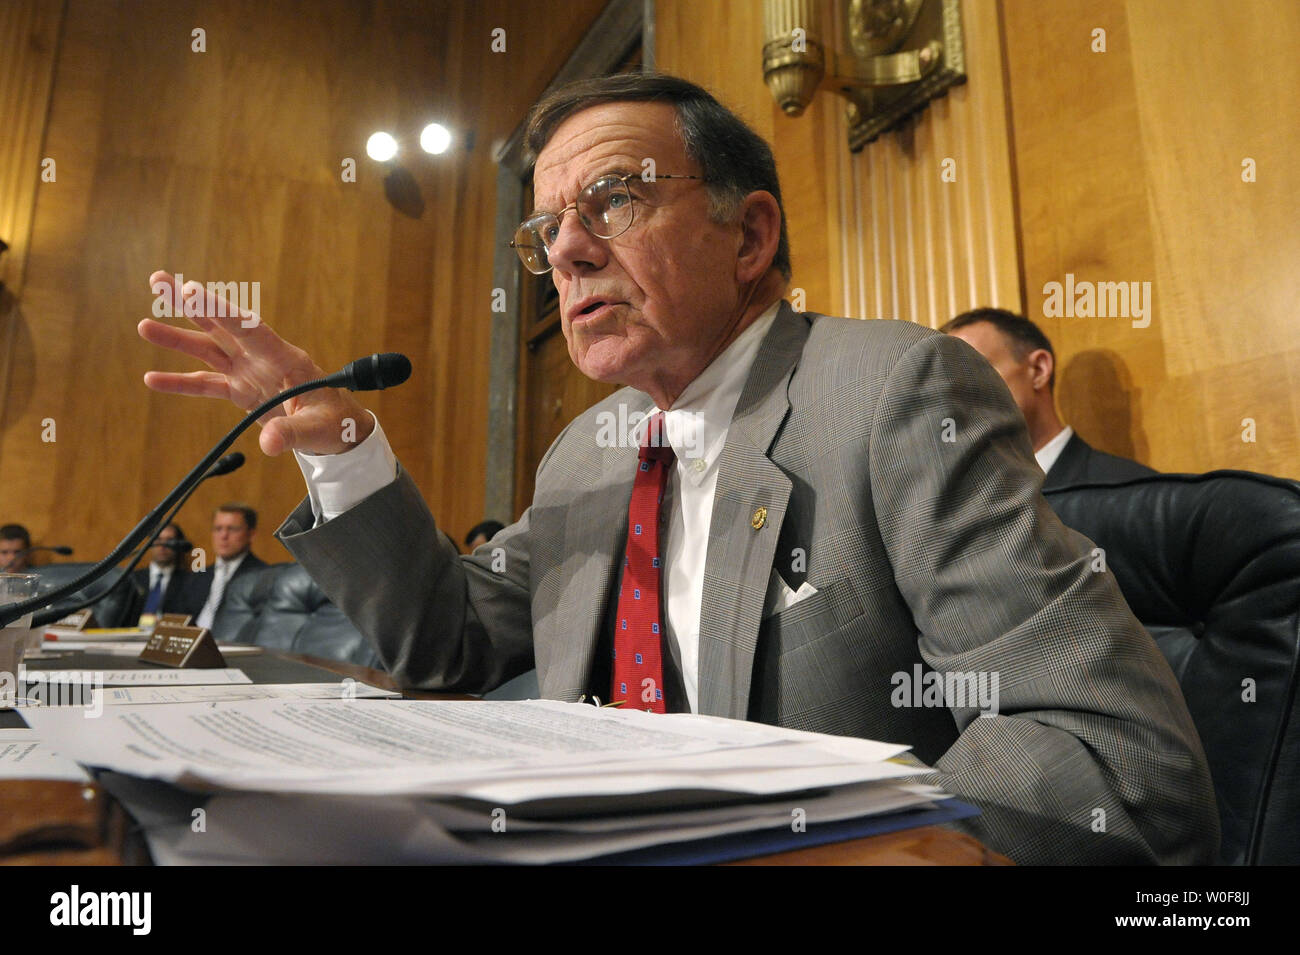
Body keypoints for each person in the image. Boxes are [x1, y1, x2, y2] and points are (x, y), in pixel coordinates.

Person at [137, 73, 1217, 865]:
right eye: (547, 229)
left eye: (612, 200)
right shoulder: (586, 455)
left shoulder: (893, 391)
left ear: (747, 236)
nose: (564, 251)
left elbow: (1113, 761)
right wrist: (336, 442)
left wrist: (830, 843)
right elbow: (446, 644)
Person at [942, 308, 1156, 490]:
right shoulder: (956, 507)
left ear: (1038, 370)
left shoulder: (1138, 494)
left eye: (973, 371)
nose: (956, 396)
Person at [174, 504, 266, 629]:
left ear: (251, 534)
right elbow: (179, 620)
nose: (223, 536)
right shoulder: (197, 576)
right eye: (218, 529)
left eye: (232, 529)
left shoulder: (263, 576)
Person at [131, 522, 191, 621]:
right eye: (158, 540)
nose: (163, 546)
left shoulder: (188, 581)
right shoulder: (133, 579)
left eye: (169, 541)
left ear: (178, 545)